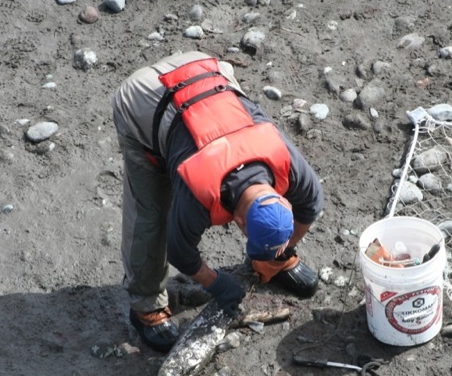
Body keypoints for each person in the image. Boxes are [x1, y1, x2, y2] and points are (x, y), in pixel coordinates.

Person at [112, 51, 324, 352]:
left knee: (179, 162)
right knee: (151, 214)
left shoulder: (291, 168)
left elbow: (310, 208)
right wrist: (216, 282)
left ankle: (277, 261)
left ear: (285, 201)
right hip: (142, 98)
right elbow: (180, 251)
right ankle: (146, 307)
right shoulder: (200, 192)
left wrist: (280, 253)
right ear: (238, 221)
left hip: (203, 71)